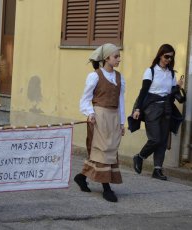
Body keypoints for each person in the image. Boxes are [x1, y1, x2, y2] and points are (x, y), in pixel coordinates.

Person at [74, 43, 125, 202]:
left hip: (113, 116)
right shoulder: (95, 76)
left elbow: (121, 101)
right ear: (106, 58)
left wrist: (122, 122)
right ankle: (106, 188)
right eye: (116, 56)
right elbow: (85, 98)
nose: (118, 59)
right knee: (102, 149)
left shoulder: (119, 77)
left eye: (118, 56)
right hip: (99, 115)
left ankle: (81, 177)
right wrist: (89, 113)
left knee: (109, 150)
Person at [132, 44, 184, 180]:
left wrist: (178, 87)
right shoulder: (151, 71)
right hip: (152, 108)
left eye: (171, 57)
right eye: (166, 56)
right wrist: (137, 108)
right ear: (160, 55)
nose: (168, 59)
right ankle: (140, 156)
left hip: (166, 108)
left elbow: (172, 94)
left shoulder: (171, 73)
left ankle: (157, 169)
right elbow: (143, 91)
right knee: (155, 139)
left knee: (163, 140)